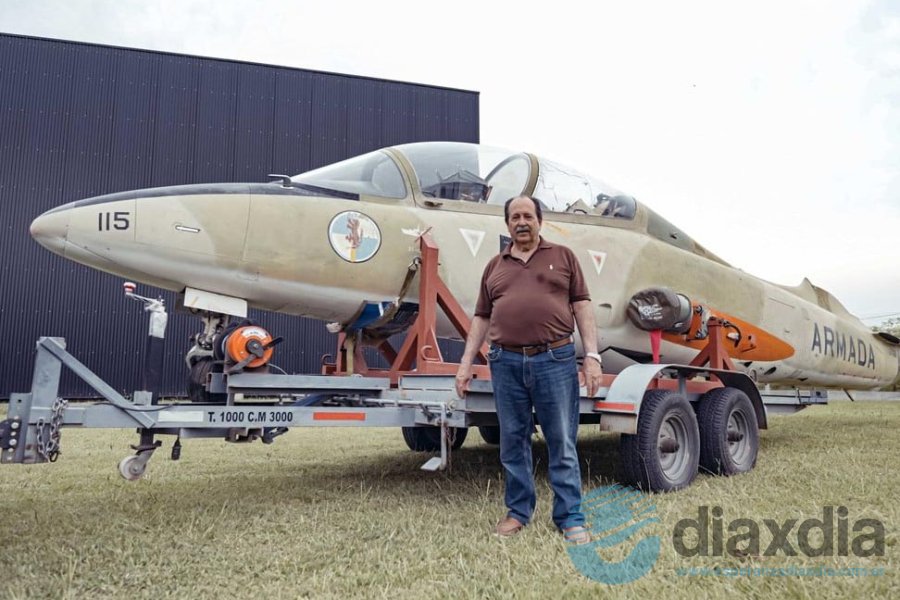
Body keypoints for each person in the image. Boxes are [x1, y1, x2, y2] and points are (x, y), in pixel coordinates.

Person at [455, 195, 603, 544]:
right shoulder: (495, 266)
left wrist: (592, 355)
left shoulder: (563, 257)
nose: (521, 222)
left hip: (555, 360)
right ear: (507, 224)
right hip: (505, 363)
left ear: (540, 221)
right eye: (514, 217)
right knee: (512, 441)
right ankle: (518, 511)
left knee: (561, 440)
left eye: (528, 216)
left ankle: (570, 517)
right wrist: (465, 363)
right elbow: (481, 317)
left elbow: (581, 306)